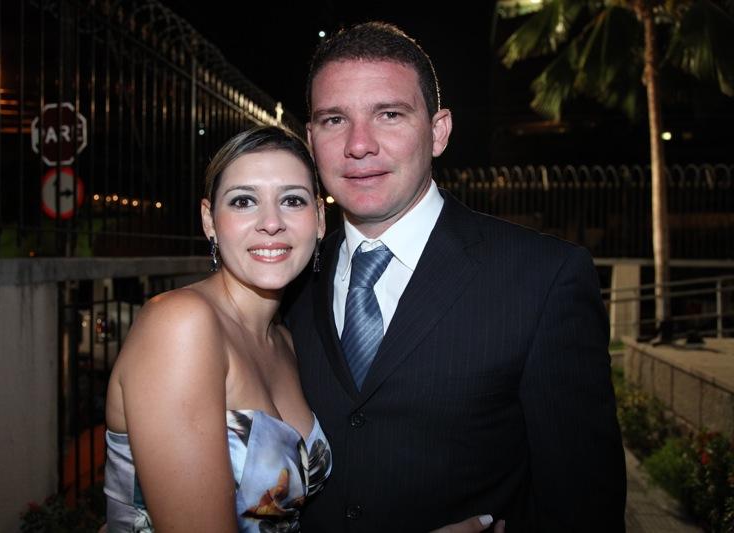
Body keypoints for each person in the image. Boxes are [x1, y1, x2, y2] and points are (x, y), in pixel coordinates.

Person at [283, 21, 627, 532]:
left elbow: (584, 506)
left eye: (389, 114)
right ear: (311, 139)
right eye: (335, 119)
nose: (359, 144)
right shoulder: (286, 282)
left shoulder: (544, 278)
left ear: (439, 131)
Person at [103, 126, 332, 532]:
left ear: (319, 219)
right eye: (244, 201)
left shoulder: (286, 341)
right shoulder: (181, 325)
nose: (271, 223)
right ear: (209, 220)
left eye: (292, 200)